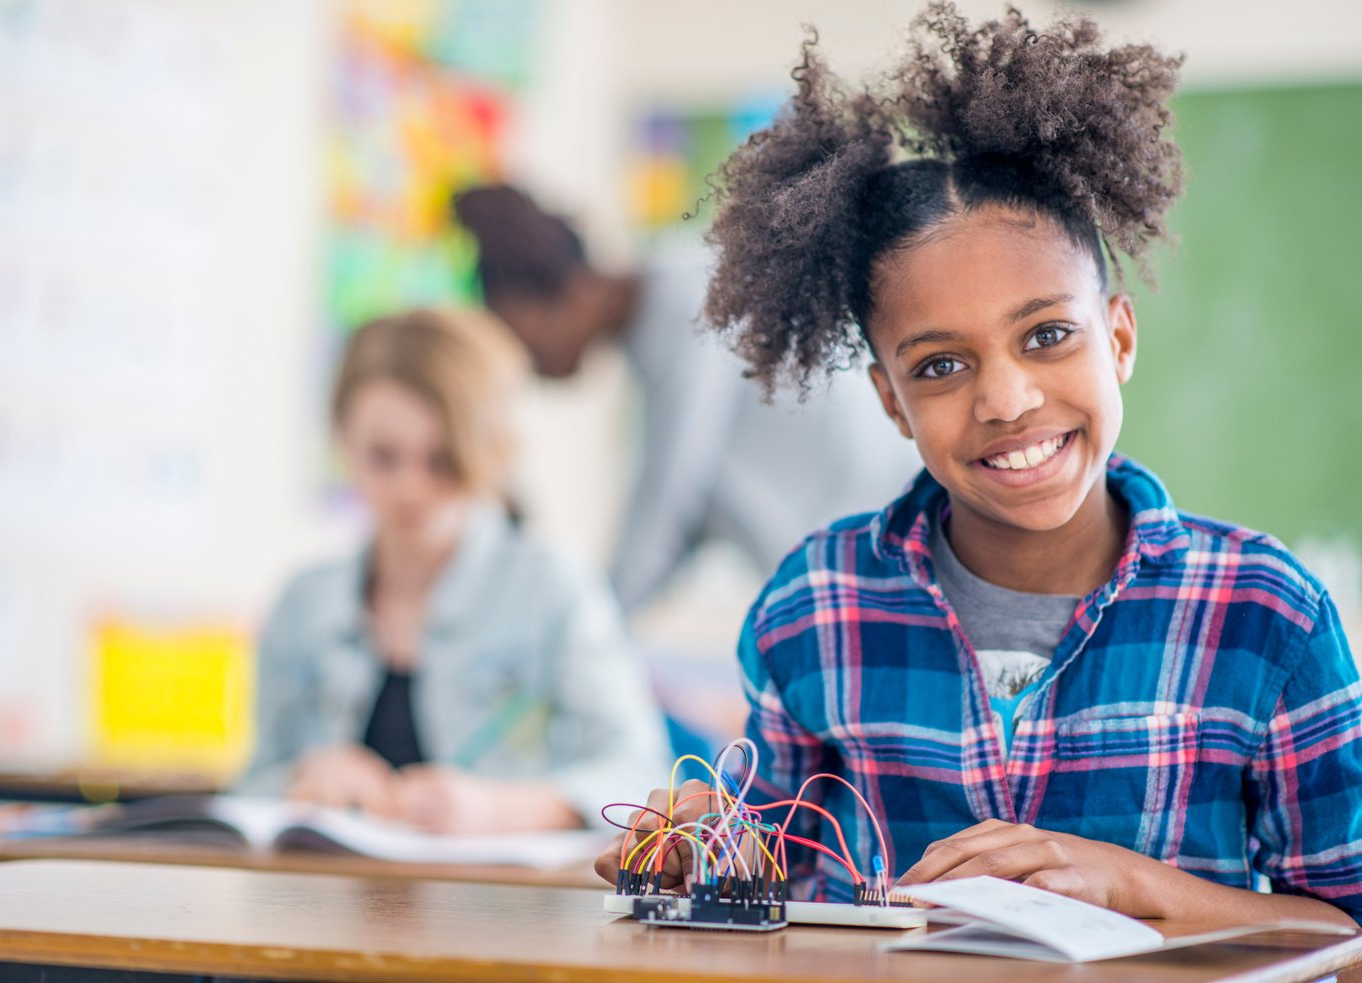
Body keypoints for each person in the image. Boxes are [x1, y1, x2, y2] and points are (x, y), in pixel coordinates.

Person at [595, 3, 1362, 926]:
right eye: (941, 366)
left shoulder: (1265, 614)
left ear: (1118, 337)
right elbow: (775, 890)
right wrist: (699, 854)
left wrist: (1136, 886)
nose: (1004, 399)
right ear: (890, 400)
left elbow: (1347, 930)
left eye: (1046, 334)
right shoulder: (814, 605)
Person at [243, 308, 670, 834]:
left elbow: (639, 777)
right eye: (383, 457)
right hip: (323, 905)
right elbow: (252, 783)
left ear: (488, 449)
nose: (409, 488)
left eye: (441, 460)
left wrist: (502, 809)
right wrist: (305, 778)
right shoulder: (302, 602)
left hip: (496, 909)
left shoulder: (554, 586)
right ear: (342, 440)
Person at [452, 185, 922, 617]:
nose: (531, 368)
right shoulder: (654, 335)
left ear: (568, 294)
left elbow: (668, 497)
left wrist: (591, 625)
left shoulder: (690, 299)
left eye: (524, 345)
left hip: (901, 525)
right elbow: (684, 525)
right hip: (862, 560)